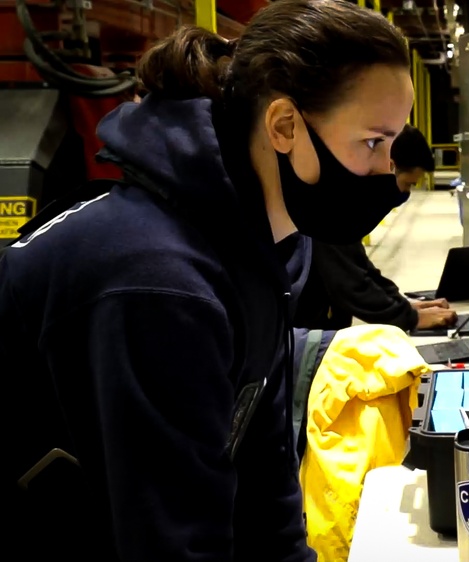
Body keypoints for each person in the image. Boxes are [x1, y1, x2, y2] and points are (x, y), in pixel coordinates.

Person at [1, 1, 413, 559]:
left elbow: (265, 484)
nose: (388, 170)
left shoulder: (270, 248)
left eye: (394, 143)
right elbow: (173, 540)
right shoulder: (159, 282)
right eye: (372, 143)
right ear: (285, 125)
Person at [295, 124, 455, 332]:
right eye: (407, 184)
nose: (404, 194)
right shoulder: (328, 200)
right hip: (298, 337)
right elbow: (349, 284)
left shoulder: (345, 198)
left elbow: (359, 265)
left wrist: (403, 307)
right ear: (389, 166)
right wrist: (410, 318)